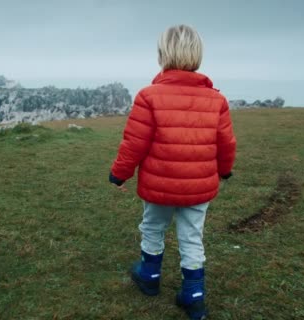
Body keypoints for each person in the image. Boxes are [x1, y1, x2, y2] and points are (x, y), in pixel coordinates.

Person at [109, 25, 236, 320]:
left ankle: (150, 277)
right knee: (192, 237)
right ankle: (193, 296)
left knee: (153, 227)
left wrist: (120, 173)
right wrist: (225, 171)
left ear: (162, 55)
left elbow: (134, 143)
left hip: (158, 185)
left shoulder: (148, 95)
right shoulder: (217, 100)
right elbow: (226, 142)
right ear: (198, 55)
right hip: (198, 187)